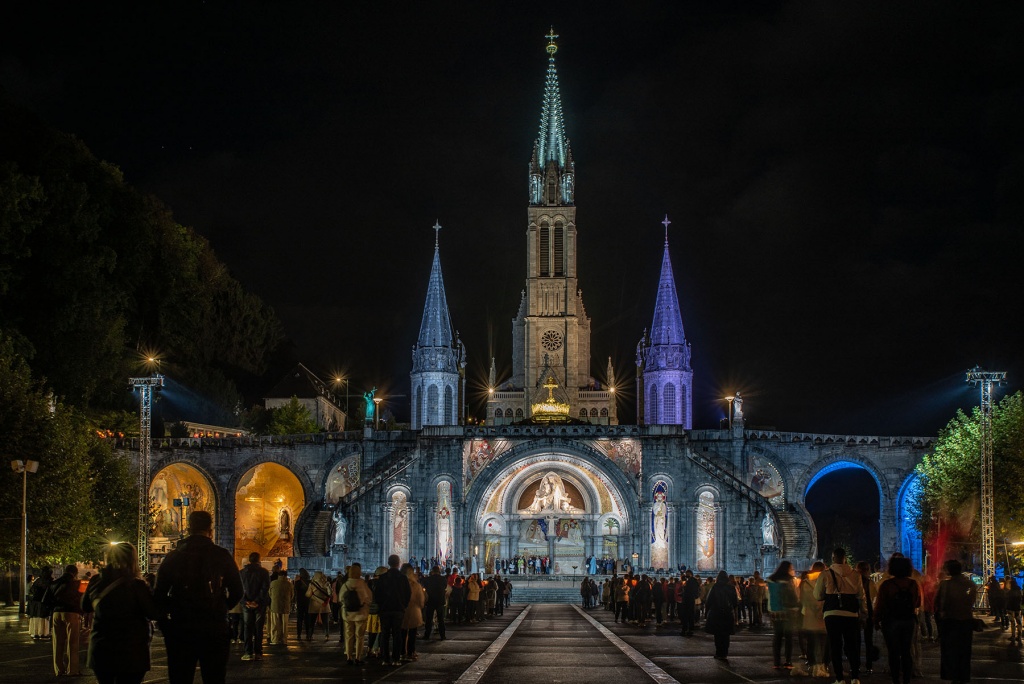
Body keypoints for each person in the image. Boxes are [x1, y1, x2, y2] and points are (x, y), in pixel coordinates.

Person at [155, 510, 243, 684]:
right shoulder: (221, 555)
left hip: (181, 627)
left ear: (189, 528)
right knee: (214, 677)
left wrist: (167, 622)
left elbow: (159, 594)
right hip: (214, 627)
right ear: (210, 530)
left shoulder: (174, 557)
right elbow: (237, 591)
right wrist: (221, 607)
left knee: (180, 677)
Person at [81, 542, 161, 684]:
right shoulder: (136, 585)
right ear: (132, 560)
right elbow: (152, 612)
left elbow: (85, 606)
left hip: (101, 648)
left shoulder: (96, 581)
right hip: (131, 650)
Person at [815, 547, 865, 684]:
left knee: (835, 645)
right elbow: (861, 596)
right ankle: (855, 677)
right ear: (845, 558)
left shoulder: (825, 574)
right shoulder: (855, 575)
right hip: (851, 614)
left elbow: (817, 595)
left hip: (832, 613)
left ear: (833, 558)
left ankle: (839, 678)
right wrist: (864, 612)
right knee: (852, 645)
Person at [874, 556, 920, 684]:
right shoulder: (913, 584)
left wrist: (876, 619)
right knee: (906, 651)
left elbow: (880, 604)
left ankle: (895, 679)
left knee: (893, 652)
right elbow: (917, 603)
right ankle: (906, 680)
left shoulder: (887, 585)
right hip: (908, 620)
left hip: (891, 620)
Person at [934, 559, 977, 684]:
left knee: (949, 651)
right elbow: (971, 601)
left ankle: (952, 675)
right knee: (964, 650)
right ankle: (963, 675)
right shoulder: (970, 584)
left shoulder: (944, 584)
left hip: (950, 621)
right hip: (966, 620)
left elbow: (937, 602)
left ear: (949, 570)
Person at [45, 564, 83, 677]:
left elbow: (46, 600)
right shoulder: (77, 583)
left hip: (56, 613)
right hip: (72, 613)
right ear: (75, 573)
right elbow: (82, 599)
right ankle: (72, 670)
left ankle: (58, 669)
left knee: (57, 642)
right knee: (73, 643)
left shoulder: (54, 583)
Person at [374, 554, 411, 666]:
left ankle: (385, 659)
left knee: (385, 634)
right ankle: (396, 659)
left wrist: (381, 606)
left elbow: (377, 594)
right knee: (397, 634)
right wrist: (403, 605)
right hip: (398, 609)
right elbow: (408, 594)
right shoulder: (403, 578)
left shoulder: (383, 578)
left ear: (388, 563)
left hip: (385, 609)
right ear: (398, 563)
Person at [767, 560, 800, 670]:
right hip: (787, 611)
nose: (793, 571)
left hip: (775, 612)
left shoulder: (771, 579)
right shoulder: (788, 580)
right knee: (788, 637)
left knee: (777, 637)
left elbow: (769, 596)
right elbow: (793, 595)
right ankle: (788, 661)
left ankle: (776, 662)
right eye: (791, 569)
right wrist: (797, 605)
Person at [339, 562, 373, 665]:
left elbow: (340, 599)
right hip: (361, 614)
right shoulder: (362, 584)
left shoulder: (346, 584)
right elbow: (369, 598)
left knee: (349, 635)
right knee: (360, 636)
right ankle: (358, 657)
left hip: (348, 614)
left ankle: (349, 657)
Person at [239, 551, 270, 660]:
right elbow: (265, 588)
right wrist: (257, 601)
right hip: (259, 604)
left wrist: (246, 601)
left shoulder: (242, 572)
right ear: (259, 559)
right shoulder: (264, 572)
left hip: (246, 604)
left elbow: (239, 589)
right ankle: (258, 652)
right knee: (258, 628)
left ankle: (248, 652)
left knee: (247, 628)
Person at [800, 561, 829, 678]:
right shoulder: (827, 580)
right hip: (824, 616)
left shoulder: (805, 583)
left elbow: (802, 600)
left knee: (811, 642)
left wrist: (812, 608)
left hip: (810, 616)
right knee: (825, 643)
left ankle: (812, 665)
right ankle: (824, 665)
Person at [704, 570, 737, 659]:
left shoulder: (715, 587)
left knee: (718, 634)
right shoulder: (731, 587)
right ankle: (725, 653)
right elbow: (735, 602)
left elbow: (708, 601)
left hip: (716, 613)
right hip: (727, 613)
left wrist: (706, 612)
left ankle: (719, 653)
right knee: (726, 635)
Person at [856, 560, 878, 673]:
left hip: (856, 614)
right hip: (868, 614)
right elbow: (874, 599)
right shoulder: (871, 583)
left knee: (856, 640)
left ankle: (856, 665)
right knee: (868, 640)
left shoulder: (854, 582)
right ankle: (869, 665)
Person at [401, 563, 425, 661]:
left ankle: (402, 652)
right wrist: (421, 606)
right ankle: (411, 652)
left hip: (402, 610)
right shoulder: (415, 585)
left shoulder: (399, 583)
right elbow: (421, 600)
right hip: (413, 611)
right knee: (412, 633)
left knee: (402, 633)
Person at [268, 569, 293, 645]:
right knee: (284, 625)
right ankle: (284, 639)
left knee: (275, 624)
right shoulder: (289, 584)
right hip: (285, 606)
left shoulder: (273, 583)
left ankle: (275, 639)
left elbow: (270, 594)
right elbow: (292, 595)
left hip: (275, 606)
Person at [423, 566, 447, 640]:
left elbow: (425, 587)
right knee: (441, 619)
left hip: (430, 600)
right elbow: (445, 587)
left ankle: (427, 635)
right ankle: (442, 635)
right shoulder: (443, 579)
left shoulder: (428, 579)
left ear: (432, 571)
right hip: (440, 600)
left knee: (429, 619)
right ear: (439, 571)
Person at [28, 566, 53, 640]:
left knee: (37, 617)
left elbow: (31, 590)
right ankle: (43, 633)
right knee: (43, 617)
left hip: (35, 602)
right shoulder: (48, 581)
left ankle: (36, 632)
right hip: (43, 602)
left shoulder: (37, 580)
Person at [306, 570, 332, 638]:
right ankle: (327, 634)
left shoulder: (312, 584)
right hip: (324, 605)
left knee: (312, 621)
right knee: (325, 621)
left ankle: (310, 635)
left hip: (314, 605)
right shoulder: (326, 583)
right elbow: (330, 594)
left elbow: (308, 595)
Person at [293, 568, 311, 641]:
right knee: (307, 619)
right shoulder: (310, 582)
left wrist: (296, 581)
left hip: (300, 602)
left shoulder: (298, 582)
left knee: (299, 619)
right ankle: (308, 634)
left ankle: (299, 634)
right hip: (308, 601)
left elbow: (295, 591)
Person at [1006, 577, 1022, 646]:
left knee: (1012, 622)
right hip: (1017, 608)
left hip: (1011, 608)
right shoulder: (1019, 591)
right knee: (1019, 622)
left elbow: (1007, 600)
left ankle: (1013, 635)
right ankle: (1019, 636)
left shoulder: (1010, 592)